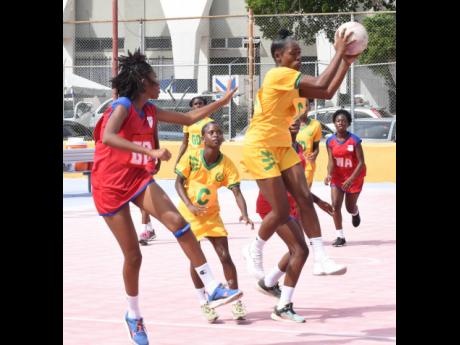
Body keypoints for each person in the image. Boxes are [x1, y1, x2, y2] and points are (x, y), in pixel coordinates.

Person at [90, 50, 240, 345]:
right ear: (142, 82)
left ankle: (211, 285)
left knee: (178, 222)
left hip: (135, 178)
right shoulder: (123, 106)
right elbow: (108, 136)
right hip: (108, 185)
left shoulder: (150, 110)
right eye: (155, 80)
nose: (160, 84)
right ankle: (133, 315)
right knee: (134, 256)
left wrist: (221, 102)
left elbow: (187, 118)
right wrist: (151, 152)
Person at [241, 27, 359, 284]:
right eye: (294, 54)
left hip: (282, 146)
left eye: (300, 54)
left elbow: (325, 92)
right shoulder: (277, 75)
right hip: (260, 146)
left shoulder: (292, 81)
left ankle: (320, 258)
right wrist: (339, 52)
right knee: (281, 211)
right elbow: (319, 82)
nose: (299, 58)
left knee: (304, 197)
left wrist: (346, 63)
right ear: (278, 56)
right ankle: (255, 248)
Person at [254, 119, 334, 322]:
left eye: (296, 120)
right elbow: (282, 183)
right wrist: (311, 200)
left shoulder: (297, 147)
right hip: (275, 206)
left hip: (294, 203)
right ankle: (282, 304)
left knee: (297, 250)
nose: (294, 122)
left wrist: (315, 200)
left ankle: (270, 283)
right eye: (288, 120)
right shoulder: (276, 147)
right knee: (300, 250)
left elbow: (296, 184)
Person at [175, 121, 254, 323]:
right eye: (211, 132)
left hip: (211, 215)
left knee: (225, 256)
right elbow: (178, 183)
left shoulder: (226, 163)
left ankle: (235, 300)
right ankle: (204, 303)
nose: (216, 135)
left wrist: (244, 213)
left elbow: (236, 191)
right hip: (189, 215)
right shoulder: (192, 157)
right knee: (197, 260)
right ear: (203, 138)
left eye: (219, 132)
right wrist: (190, 206)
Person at [325, 109, 366, 247]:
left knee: (349, 208)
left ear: (348, 123)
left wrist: (351, 179)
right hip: (337, 177)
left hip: (354, 177)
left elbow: (361, 163)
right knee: (335, 206)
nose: (340, 123)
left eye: (343, 121)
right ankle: (340, 236)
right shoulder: (330, 141)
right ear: (334, 123)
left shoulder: (354, 140)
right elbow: (331, 160)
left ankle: (355, 212)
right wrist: (329, 174)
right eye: (338, 121)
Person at [138, 115, 161, 245]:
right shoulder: (126, 111)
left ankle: (144, 230)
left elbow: (155, 137)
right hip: (134, 157)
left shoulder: (151, 113)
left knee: (144, 191)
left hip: (148, 158)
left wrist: (159, 161)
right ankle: (150, 229)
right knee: (139, 196)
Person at [175, 96, 214, 167]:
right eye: (195, 104)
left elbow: (213, 143)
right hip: (191, 156)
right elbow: (184, 143)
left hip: (204, 157)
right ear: (192, 107)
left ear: (204, 106)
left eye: (200, 103)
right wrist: (178, 159)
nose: (198, 105)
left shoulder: (210, 123)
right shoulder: (188, 121)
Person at [297, 111, 323, 188]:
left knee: (305, 194)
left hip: (307, 164)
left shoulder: (316, 125)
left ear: (309, 108)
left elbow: (316, 147)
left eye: (306, 105)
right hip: (291, 165)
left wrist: (314, 154)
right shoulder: (288, 122)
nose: (303, 108)